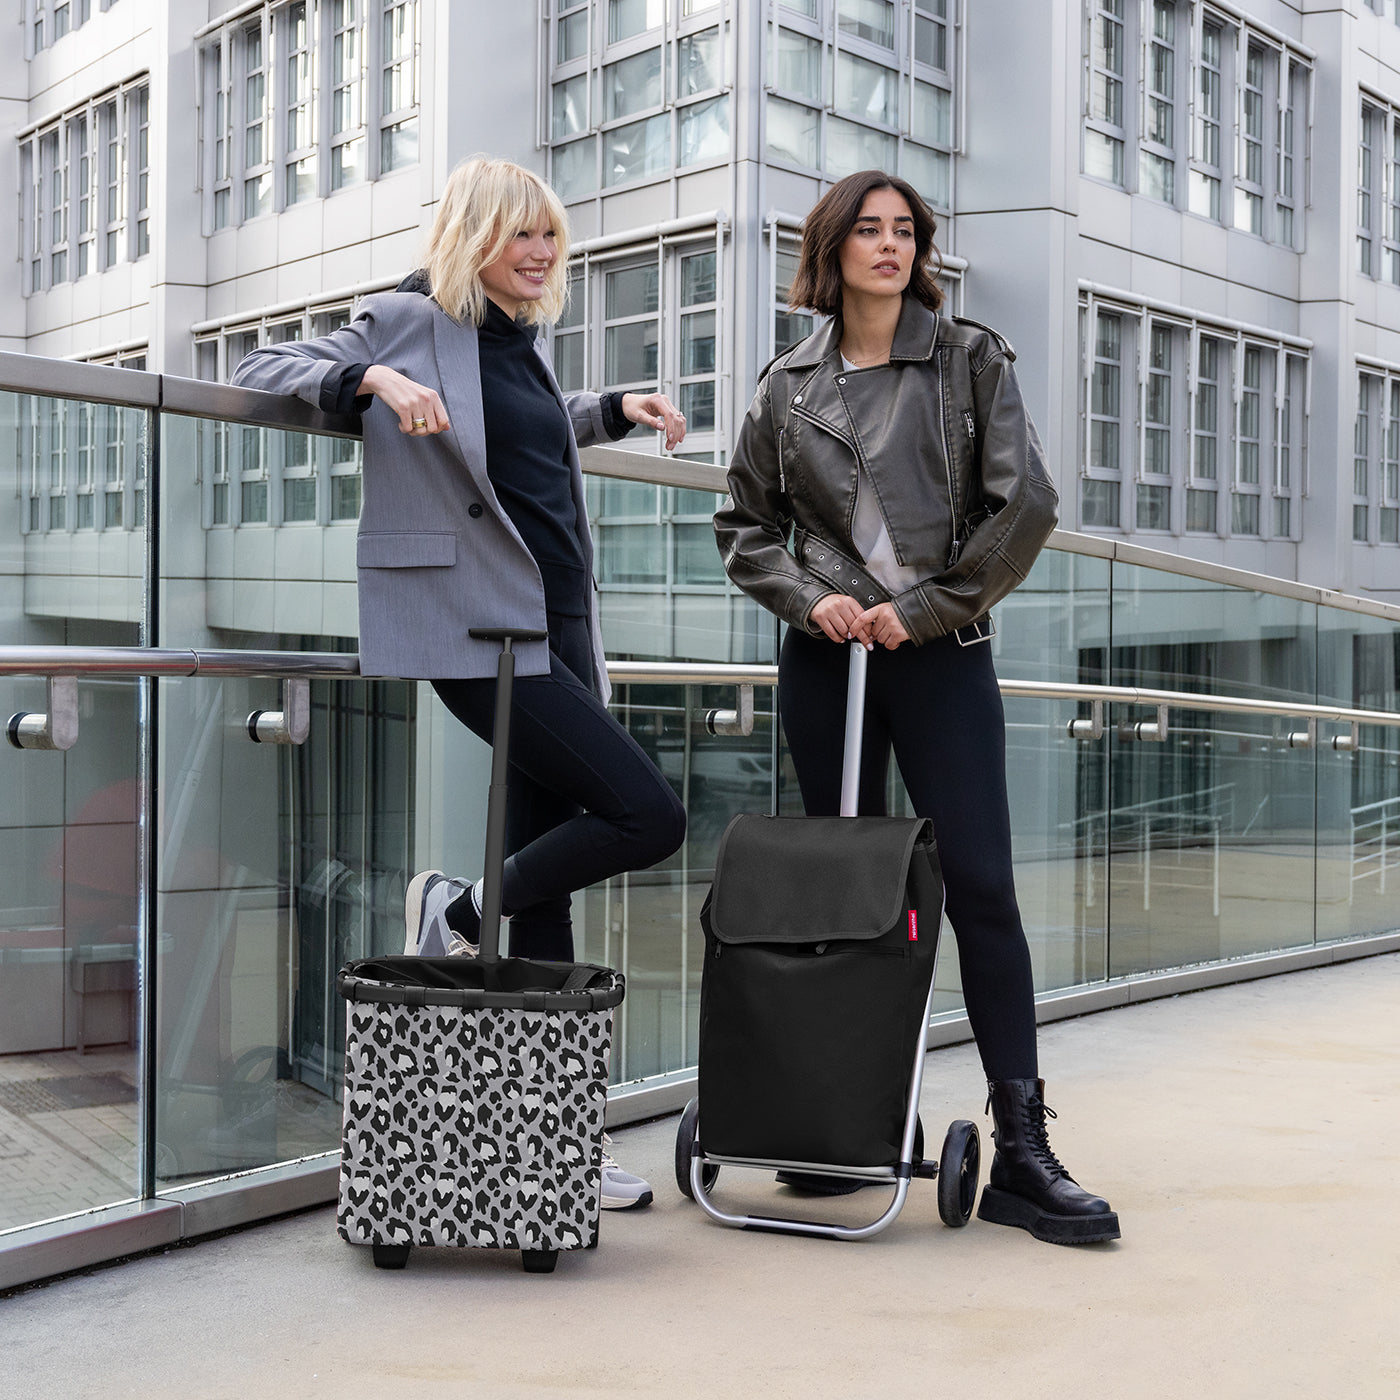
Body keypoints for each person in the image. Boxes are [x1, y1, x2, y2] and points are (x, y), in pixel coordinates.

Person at [232, 155, 688, 1210]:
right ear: (472, 235)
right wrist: (372, 381)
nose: (540, 253)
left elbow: (513, 438)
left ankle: (556, 1145)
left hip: (558, 629)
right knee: (649, 814)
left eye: (549, 236)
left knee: (551, 892)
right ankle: (460, 903)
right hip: (478, 634)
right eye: (520, 233)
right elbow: (262, 366)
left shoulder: (518, 341)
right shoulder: (405, 319)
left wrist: (611, 407)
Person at [713, 170, 1119, 1245]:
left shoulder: (969, 358)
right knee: (843, 900)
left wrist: (927, 609)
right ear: (833, 249)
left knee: (980, 889)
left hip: (941, 658)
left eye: (905, 231)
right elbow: (744, 526)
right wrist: (813, 600)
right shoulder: (786, 383)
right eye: (869, 230)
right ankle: (840, 1121)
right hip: (827, 661)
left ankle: (1022, 1152)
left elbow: (1024, 504)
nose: (890, 246)